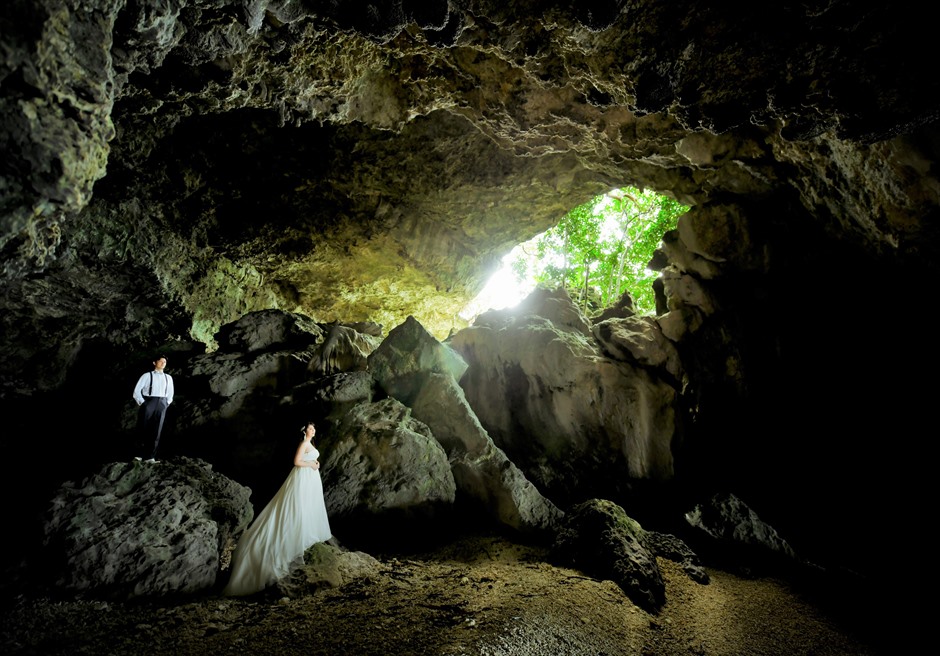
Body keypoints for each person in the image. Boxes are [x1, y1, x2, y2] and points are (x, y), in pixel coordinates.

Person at [223, 422, 333, 596]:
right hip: (302, 477)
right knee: (297, 506)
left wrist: (314, 462)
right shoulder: (304, 443)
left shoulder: (310, 444)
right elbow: (296, 461)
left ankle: (307, 533)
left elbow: (307, 457)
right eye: (310, 428)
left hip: (310, 477)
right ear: (304, 431)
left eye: (314, 428)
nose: (313, 430)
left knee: (308, 505)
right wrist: (311, 465)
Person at [131, 354, 175, 462]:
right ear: (154, 363)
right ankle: (139, 455)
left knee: (157, 431)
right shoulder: (147, 375)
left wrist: (166, 403)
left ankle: (150, 457)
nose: (163, 363)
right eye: (161, 361)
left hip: (162, 403)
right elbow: (136, 391)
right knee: (143, 428)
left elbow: (170, 393)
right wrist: (143, 403)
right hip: (149, 401)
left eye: (164, 362)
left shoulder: (168, 377)